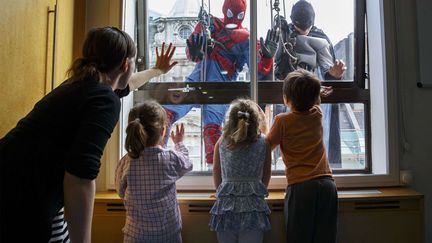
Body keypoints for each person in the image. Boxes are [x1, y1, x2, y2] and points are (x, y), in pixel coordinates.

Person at [0, 26, 177, 242]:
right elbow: (80, 178)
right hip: (21, 195)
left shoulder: (83, 84)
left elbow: (128, 83)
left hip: (20, 182)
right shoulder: (104, 100)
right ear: (124, 65)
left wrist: (157, 70)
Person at [164, 0, 279, 166]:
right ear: (225, 10)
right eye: (231, 13)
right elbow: (192, 53)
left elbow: (258, 71)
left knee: (211, 131)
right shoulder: (211, 24)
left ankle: (214, 173)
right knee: (165, 116)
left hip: (219, 87)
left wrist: (267, 56)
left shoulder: (245, 38)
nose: (233, 18)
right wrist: (196, 49)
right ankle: (154, 156)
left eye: (238, 14)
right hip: (200, 81)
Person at [267, 69, 338, 243]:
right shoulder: (317, 114)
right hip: (328, 185)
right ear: (315, 99)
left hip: (301, 187)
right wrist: (315, 92)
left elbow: (267, 145)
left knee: (298, 237)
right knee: (325, 237)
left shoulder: (282, 121)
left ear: (286, 99)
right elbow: (314, 102)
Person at [273, 0, 346, 166]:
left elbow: (328, 73)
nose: (303, 31)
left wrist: (334, 74)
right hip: (288, 99)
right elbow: (273, 69)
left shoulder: (321, 38)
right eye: (299, 26)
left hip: (312, 102)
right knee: (289, 144)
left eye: (306, 26)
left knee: (315, 143)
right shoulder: (282, 36)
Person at [115, 100, 192, 243]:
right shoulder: (170, 158)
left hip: (135, 236)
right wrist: (179, 143)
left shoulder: (126, 161)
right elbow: (187, 164)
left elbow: (120, 191)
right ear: (164, 130)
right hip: (168, 235)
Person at [210, 99, 272, 243]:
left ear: (230, 121)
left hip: (227, 206)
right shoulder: (264, 142)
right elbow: (267, 171)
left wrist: (220, 190)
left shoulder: (222, 141)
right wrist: (259, 190)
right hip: (253, 207)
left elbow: (216, 169)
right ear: (256, 121)